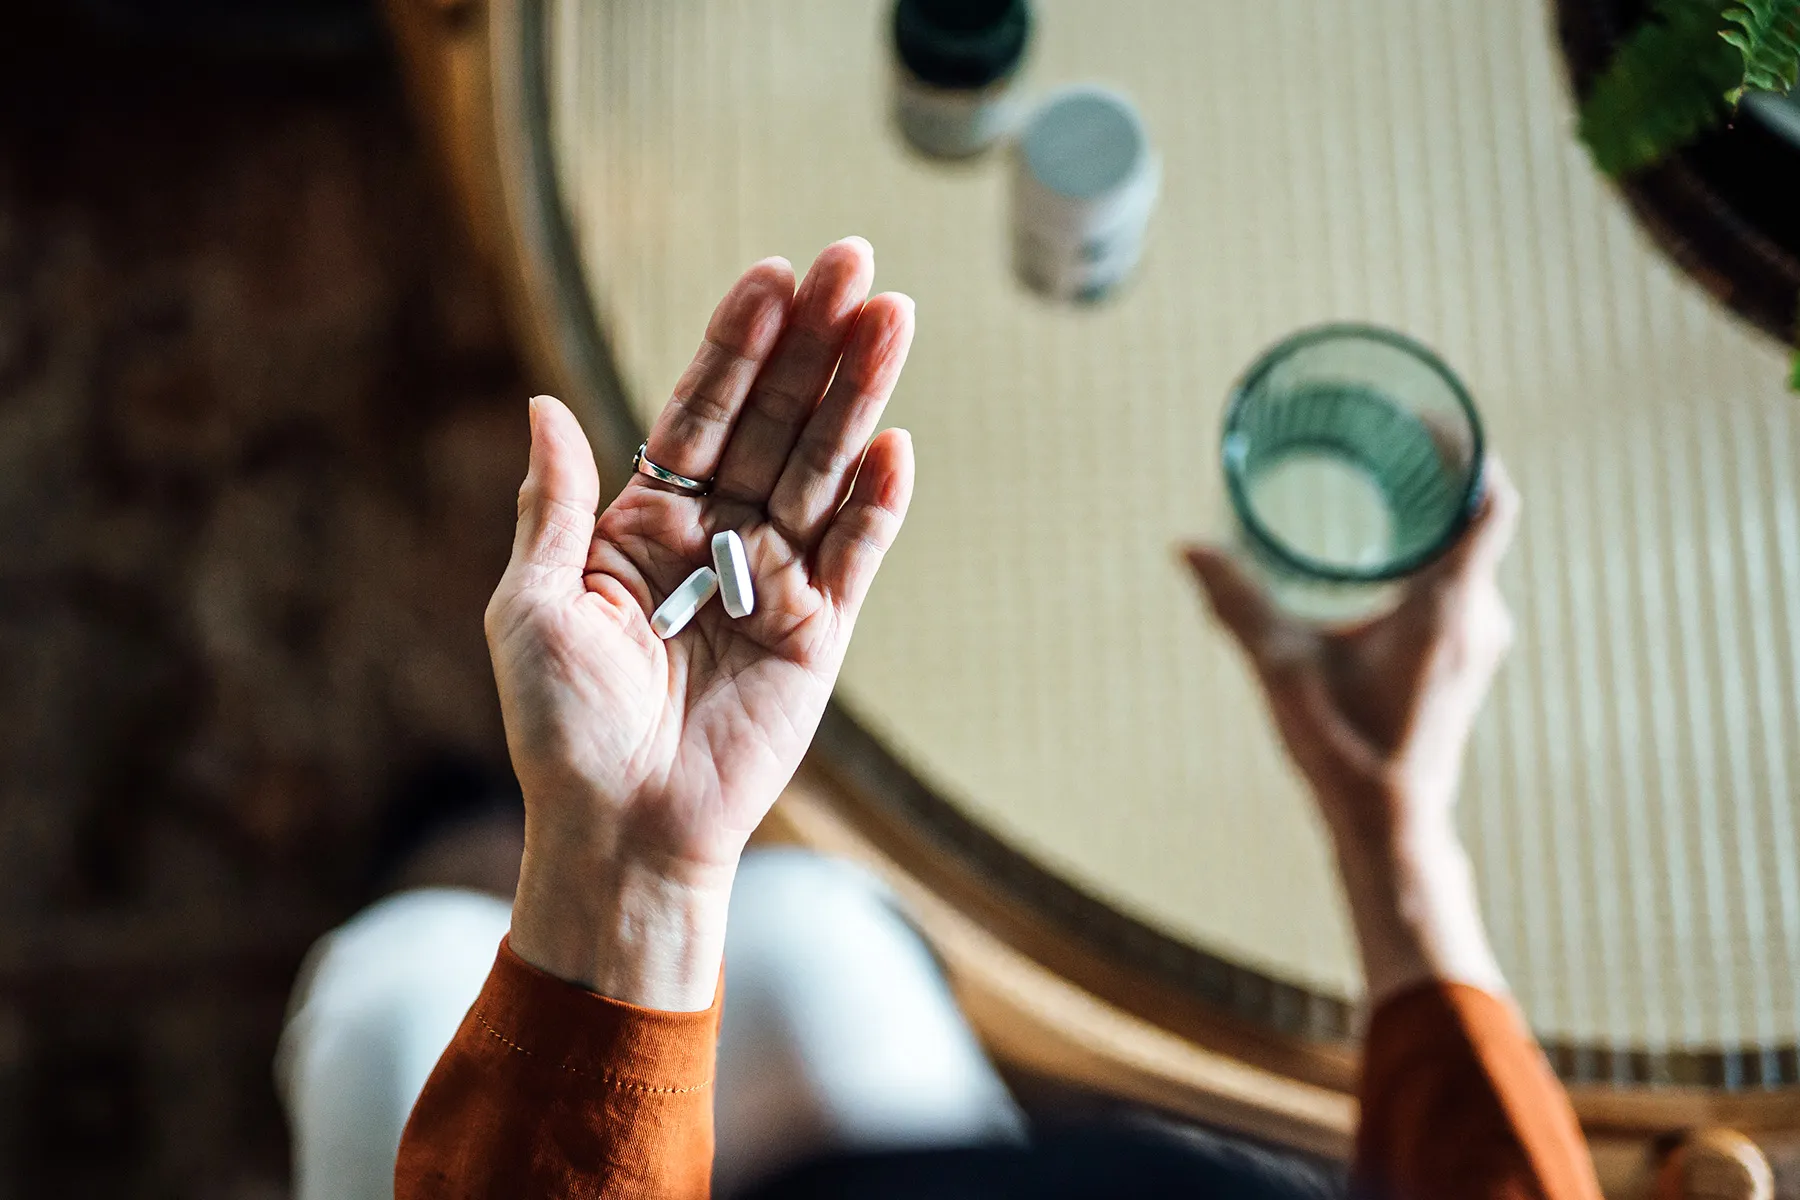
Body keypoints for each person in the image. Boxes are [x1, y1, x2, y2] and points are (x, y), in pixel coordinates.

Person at [276, 238, 1604, 1199]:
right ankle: (475, 869)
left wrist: (622, 871)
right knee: (811, 929)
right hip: (916, 1171)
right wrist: (1394, 827)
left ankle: (442, 872)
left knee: (391, 986)